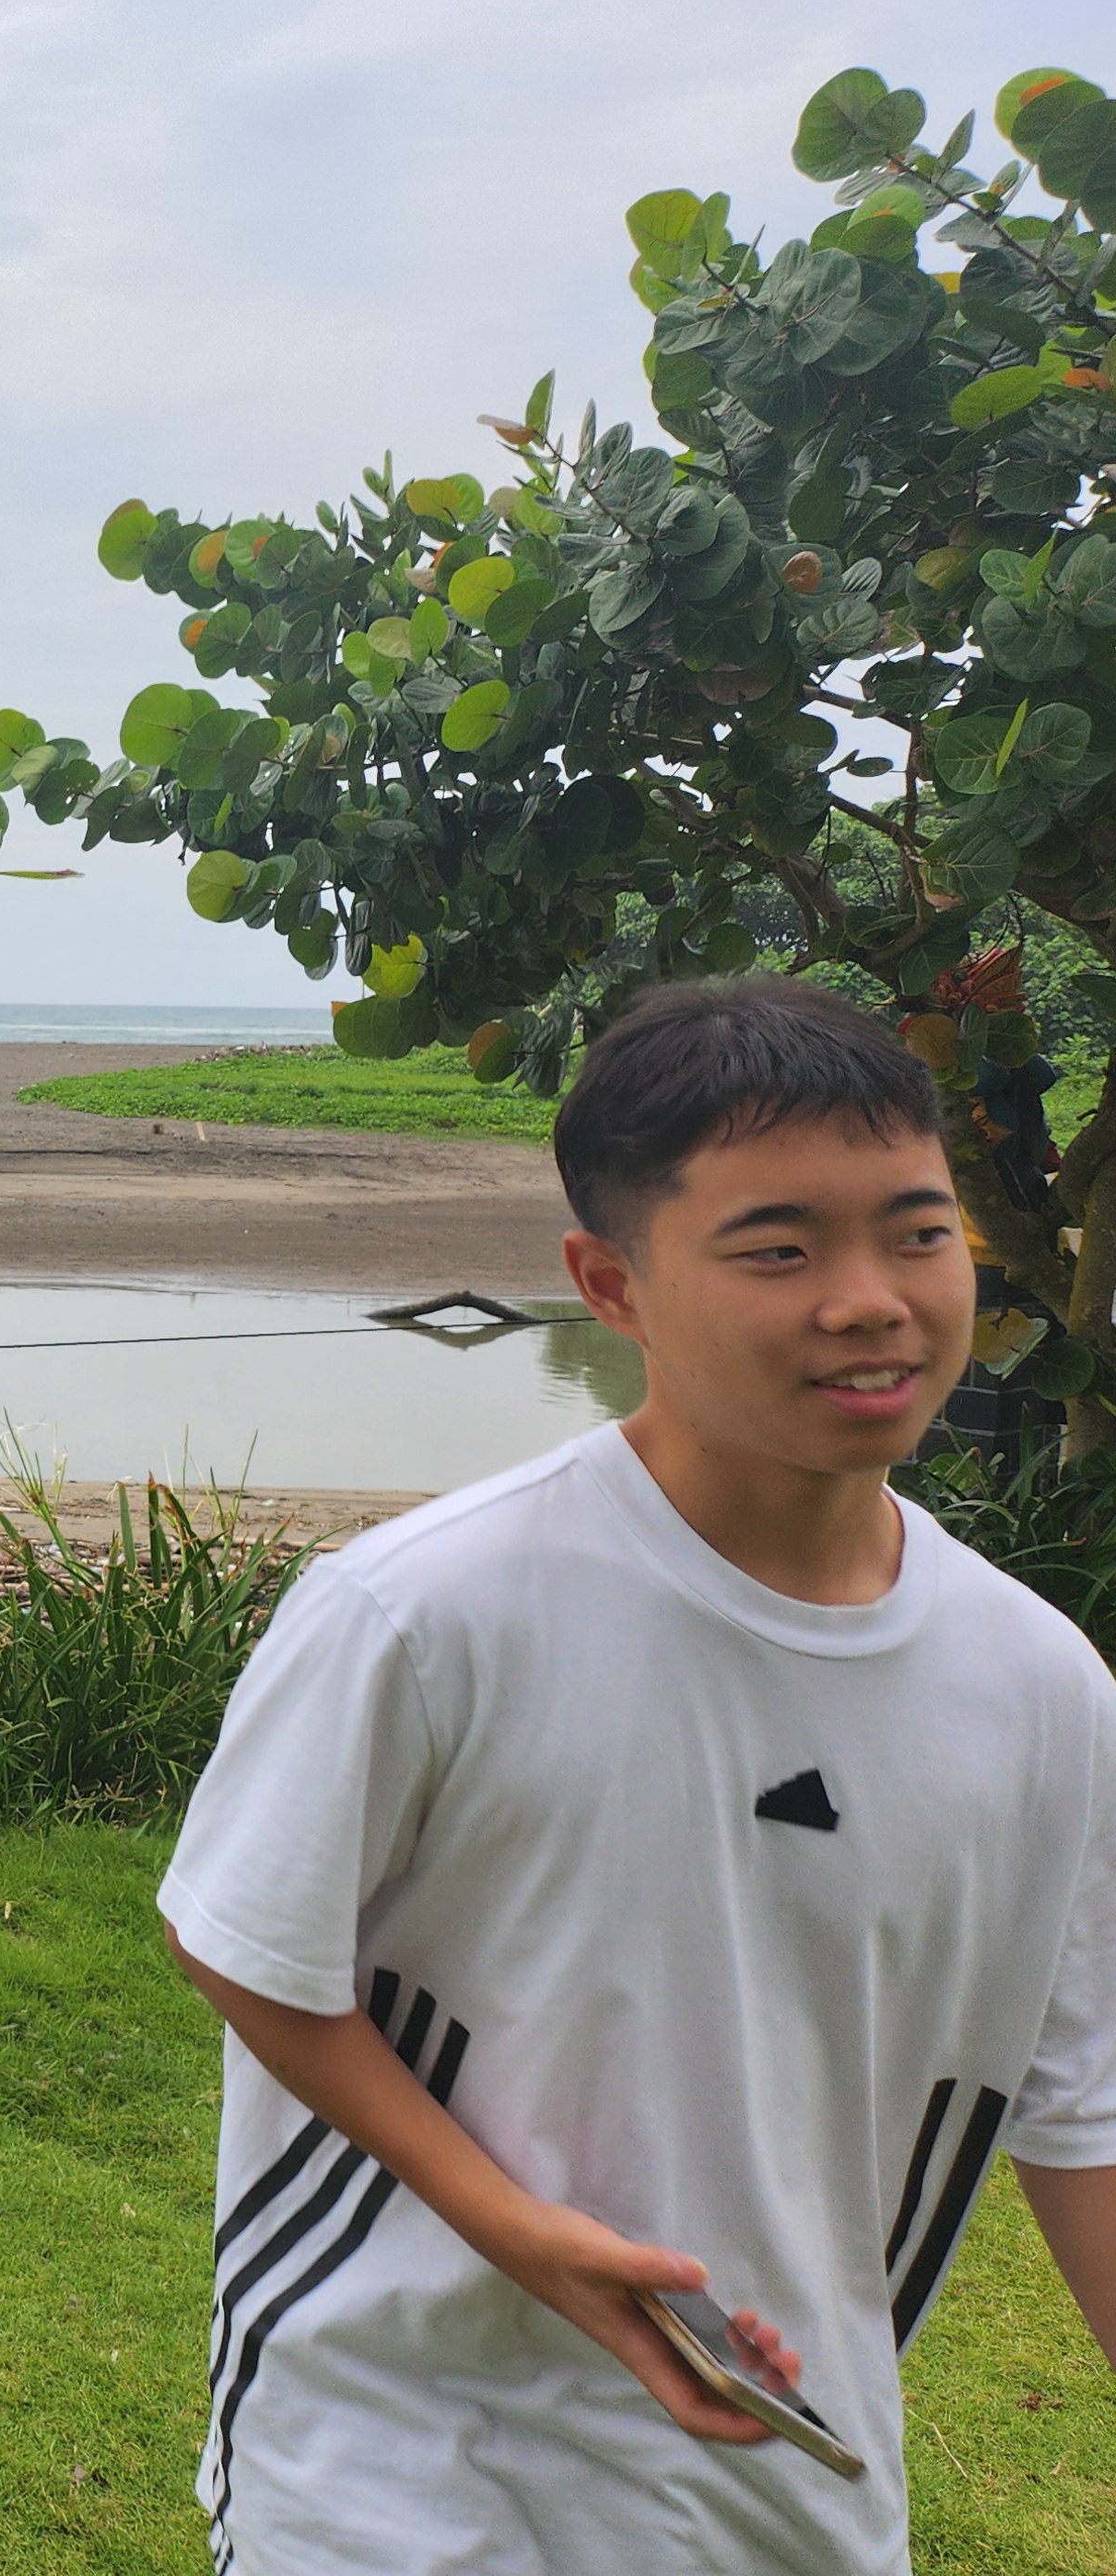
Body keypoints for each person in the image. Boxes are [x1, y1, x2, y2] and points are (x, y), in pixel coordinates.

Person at [160, 975, 1114, 2571]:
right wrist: (515, 2229)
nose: (871, 1301)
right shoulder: (428, 1611)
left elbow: (1084, 2109)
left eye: (917, 1232)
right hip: (398, 2478)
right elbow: (243, 1940)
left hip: (791, 2486)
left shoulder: (1040, 1686)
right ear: (611, 1284)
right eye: (778, 1250)